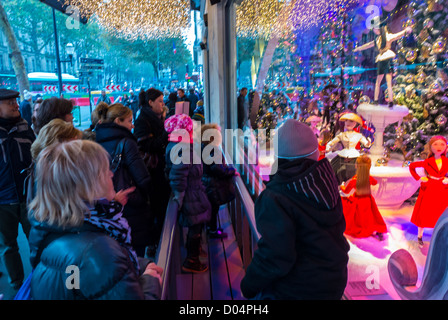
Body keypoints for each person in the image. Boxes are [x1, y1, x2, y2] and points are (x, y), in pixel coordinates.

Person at [27, 140, 162, 299]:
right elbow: (96, 263)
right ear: (88, 185)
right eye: (105, 171)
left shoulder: (58, 227)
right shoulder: (96, 248)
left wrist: (136, 265)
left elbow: (89, 275)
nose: (112, 174)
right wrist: (150, 281)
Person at [240, 119, 349, 300]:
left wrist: (248, 286)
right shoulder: (324, 183)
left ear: (279, 157)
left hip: (298, 289)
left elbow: (275, 256)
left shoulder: (276, 198)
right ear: (314, 154)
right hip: (333, 281)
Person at [95, 103, 153, 257]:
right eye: (129, 120)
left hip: (107, 204)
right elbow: (143, 178)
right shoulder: (127, 143)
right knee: (136, 254)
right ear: (117, 122)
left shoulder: (95, 143)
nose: (132, 125)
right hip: (130, 202)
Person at [164, 114, 211, 273]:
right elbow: (178, 174)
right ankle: (192, 260)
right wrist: (180, 195)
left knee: (195, 226)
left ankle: (194, 255)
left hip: (193, 192)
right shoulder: (182, 148)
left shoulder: (178, 145)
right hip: (191, 195)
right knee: (195, 226)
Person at [0, 88, 35, 291]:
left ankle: (40, 278)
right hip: (2, 201)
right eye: (9, 102)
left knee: (37, 240)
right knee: (8, 246)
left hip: (28, 198)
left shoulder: (24, 127)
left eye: (15, 100)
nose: (15, 104)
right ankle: (17, 285)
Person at [134, 88, 171, 253]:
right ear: (150, 102)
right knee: (159, 207)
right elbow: (147, 145)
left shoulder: (157, 117)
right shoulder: (143, 120)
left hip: (161, 168)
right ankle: (159, 244)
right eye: (160, 101)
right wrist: (166, 134)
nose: (163, 104)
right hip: (154, 171)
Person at [353, 17, 413, 107]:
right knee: (378, 81)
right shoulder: (378, 39)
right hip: (381, 60)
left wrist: (406, 31)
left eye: (375, 28)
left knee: (388, 82)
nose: (374, 30)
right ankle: (376, 101)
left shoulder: (388, 36)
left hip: (386, 58)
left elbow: (398, 35)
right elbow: (368, 45)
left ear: (380, 28)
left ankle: (390, 101)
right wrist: (358, 48)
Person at [409, 135, 448, 246]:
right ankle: (420, 236)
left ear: (446, 147)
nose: (439, 147)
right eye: (435, 144)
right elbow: (412, 166)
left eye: (442, 144)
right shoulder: (427, 162)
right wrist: (419, 178)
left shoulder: (446, 161)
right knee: (424, 212)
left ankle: (440, 234)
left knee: (441, 212)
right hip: (430, 187)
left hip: (442, 188)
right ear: (431, 147)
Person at [201, 123, 238, 239]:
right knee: (213, 208)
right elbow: (217, 168)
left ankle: (210, 228)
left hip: (207, 182)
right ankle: (212, 231)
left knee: (211, 208)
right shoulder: (213, 149)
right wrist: (231, 170)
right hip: (213, 184)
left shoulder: (203, 147)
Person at [340, 155, 387, 240]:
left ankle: (359, 228)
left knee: (344, 203)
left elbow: (345, 191)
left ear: (357, 166)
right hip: (368, 200)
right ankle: (375, 229)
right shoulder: (369, 178)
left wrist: (342, 186)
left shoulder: (354, 180)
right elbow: (375, 182)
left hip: (358, 200)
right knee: (371, 215)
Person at [326, 112, 372, 184]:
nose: (348, 123)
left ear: (355, 123)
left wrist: (368, 142)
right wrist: (328, 147)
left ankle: (350, 186)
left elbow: (366, 144)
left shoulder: (358, 135)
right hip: (343, 154)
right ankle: (337, 185)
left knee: (353, 171)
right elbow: (331, 142)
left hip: (354, 155)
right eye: (346, 120)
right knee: (334, 169)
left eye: (351, 121)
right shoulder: (341, 135)